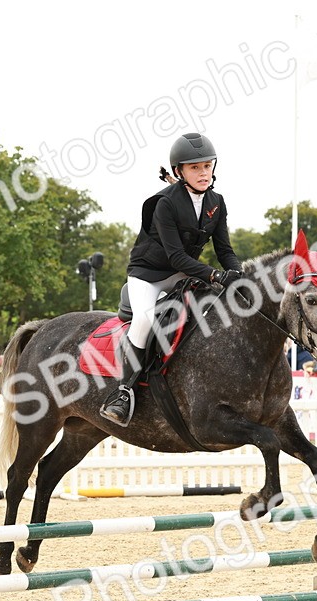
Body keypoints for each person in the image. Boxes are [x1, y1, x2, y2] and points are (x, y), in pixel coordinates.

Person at [99, 132, 242, 426]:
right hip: (148, 275)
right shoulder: (165, 203)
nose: (203, 173)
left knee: (211, 312)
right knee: (143, 320)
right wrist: (215, 275)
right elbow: (176, 256)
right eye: (195, 168)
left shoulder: (217, 201)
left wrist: (239, 276)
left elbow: (224, 250)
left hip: (182, 273)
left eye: (207, 166)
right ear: (179, 171)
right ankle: (123, 392)